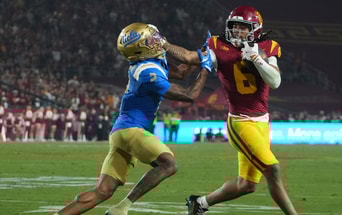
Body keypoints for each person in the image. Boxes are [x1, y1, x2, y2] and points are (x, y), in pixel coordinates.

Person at [54, 22, 212, 215]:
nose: (157, 41)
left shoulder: (151, 62)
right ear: (142, 49)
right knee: (168, 164)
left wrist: (203, 52)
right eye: (150, 39)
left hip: (121, 131)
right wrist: (206, 68)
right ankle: (122, 207)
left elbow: (181, 72)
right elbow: (189, 95)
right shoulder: (146, 71)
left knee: (103, 191)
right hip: (131, 130)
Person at [165, 6, 298, 215]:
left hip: (262, 122)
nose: (236, 31)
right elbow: (189, 57)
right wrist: (164, 44)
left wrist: (256, 58)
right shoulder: (218, 46)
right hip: (240, 122)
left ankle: (199, 203)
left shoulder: (267, 46)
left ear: (254, 29)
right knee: (273, 169)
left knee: (246, 185)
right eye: (234, 26)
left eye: (242, 27)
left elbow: (275, 81)